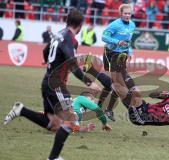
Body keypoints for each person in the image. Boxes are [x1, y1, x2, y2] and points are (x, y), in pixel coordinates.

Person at [4, 8, 105, 160]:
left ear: (67, 21)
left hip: (47, 81)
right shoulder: (71, 39)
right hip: (56, 85)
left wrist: (53, 65)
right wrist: (89, 83)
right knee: (70, 122)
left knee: (53, 124)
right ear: (80, 25)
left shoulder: (58, 34)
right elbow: (72, 65)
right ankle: (53, 158)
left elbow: (45, 52)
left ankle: (21, 110)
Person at [84, 55, 169, 142]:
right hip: (143, 106)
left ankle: (122, 69)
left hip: (141, 118)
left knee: (134, 92)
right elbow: (152, 95)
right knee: (117, 87)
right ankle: (91, 70)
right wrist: (161, 94)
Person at [101, 4, 136, 121]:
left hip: (121, 55)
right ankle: (103, 108)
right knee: (110, 83)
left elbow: (128, 41)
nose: (127, 15)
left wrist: (130, 52)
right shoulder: (115, 24)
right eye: (125, 13)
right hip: (110, 53)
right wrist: (117, 41)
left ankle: (107, 109)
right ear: (121, 14)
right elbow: (104, 37)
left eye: (129, 13)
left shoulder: (132, 25)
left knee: (117, 83)